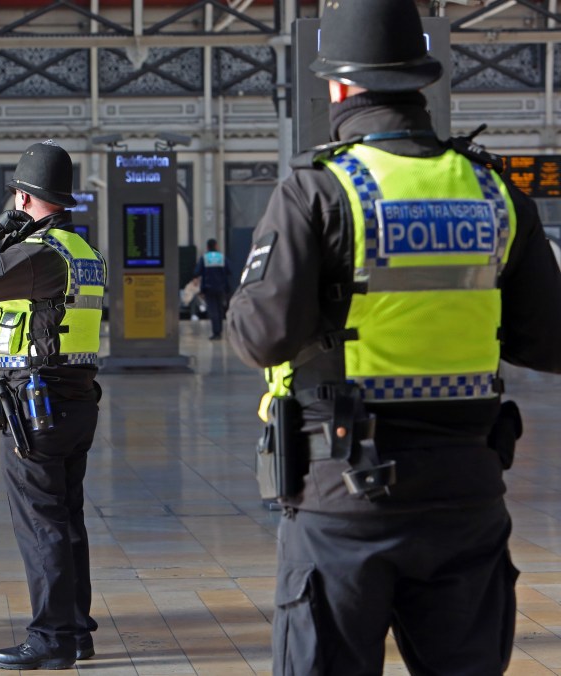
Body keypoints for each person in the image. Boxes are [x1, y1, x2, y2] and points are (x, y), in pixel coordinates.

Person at [226, 1, 561, 673]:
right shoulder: (494, 192)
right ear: (421, 80)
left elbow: (260, 338)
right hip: (467, 490)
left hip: (345, 497)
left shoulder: (317, 191)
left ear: (340, 86)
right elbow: (547, 343)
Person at [0, 140, 105, 671]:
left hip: (36, 407)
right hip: (75, 398)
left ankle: (52, 636)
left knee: (41, 522)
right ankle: (77, 630)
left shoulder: (36, 255)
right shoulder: (81, 250)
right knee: (66, 517)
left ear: (23, 196)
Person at [193, 238, 230, 339]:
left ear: (207, 247)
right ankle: (220, 331)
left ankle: (216, 333)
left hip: (208, 288)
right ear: (216, 246)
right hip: (221, 288)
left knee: (213, 310)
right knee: (220, 310)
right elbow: (229, 270)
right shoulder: (222, 257)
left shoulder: (204, 258)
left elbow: (197, 272)